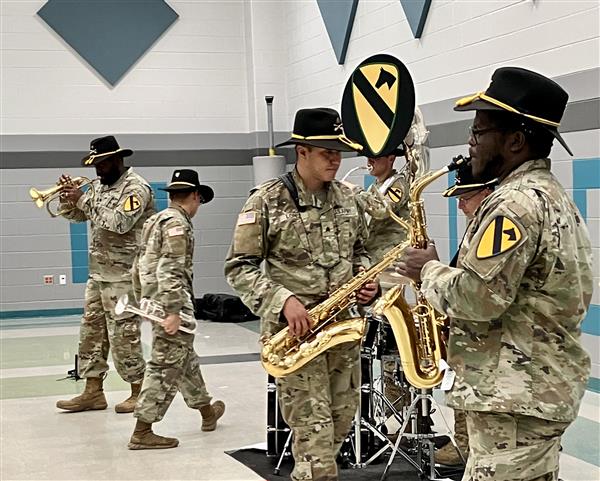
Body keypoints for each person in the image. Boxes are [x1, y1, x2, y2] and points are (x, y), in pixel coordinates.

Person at [396, 67, 592, 481]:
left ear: (516, 141)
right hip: (530, 393)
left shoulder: (514, 204)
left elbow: (476, 297)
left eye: (477, 132)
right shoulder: (552, 197)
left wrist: (426, 268)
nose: (470, 145)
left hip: (515, 400)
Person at [224, 107, 379, 481]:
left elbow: (361, 250)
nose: (335, 160)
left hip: (341, 331)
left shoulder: (349, 199)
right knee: (316, 437)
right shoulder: (265, 201)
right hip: (297, 336)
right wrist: (283, 300)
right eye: (326, 152)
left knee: (340, 423)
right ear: (302, 152)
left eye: (339, 152)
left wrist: (365, 279)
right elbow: (238, 267)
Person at [56, 135, 155, 413]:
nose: (97, 169)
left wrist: (84, 200)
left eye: (102, 163)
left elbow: (120, 223)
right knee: (91, 333)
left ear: (118, 159)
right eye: (94, 164)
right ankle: (92, 391)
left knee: (124, 335)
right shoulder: (100, 186)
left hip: (125, 276)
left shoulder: (136, 188)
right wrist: (68, 200)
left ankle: (138, 390)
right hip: (99, 275)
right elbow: (78, 217)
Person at [128, 169, 225, 450]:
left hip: (153, 301)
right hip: (171, 304)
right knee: (165, 365)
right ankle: (143, 430)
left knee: (185, 361)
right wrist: (171, 310)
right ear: (195, 196)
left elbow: (138, 265)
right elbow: (170, 267)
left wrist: (144, 301)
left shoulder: (153, 221)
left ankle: (207, 413)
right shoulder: (178, 225)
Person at [434, 161, 496, 466]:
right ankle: (464, 443)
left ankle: (467, 446)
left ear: (486, 192)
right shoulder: (477, 227)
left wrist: (431, 271)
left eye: (465, 198)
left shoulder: (493, 227)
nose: (460, 206)